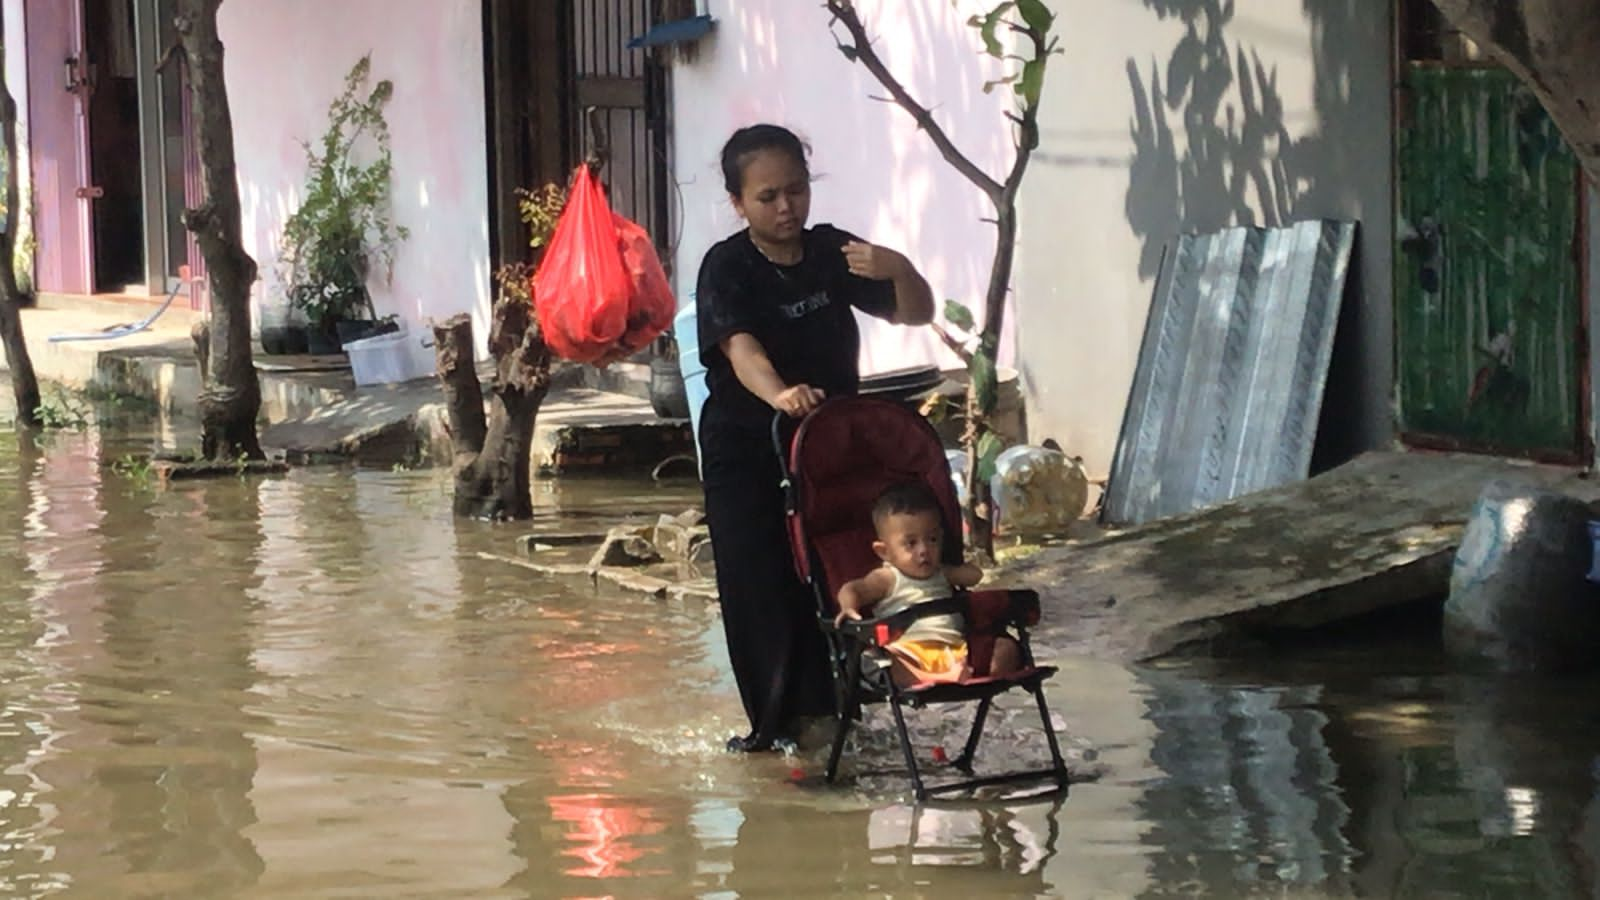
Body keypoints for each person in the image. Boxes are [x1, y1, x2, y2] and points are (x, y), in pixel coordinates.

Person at [696, 123, 935, 752]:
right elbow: (740, 350)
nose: (786, 209)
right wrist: (779, 393)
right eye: (768, 196)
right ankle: (777, 729)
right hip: (748, 448)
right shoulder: (727, 266)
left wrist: (900, 267)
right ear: (738, 203)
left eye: (796, 191)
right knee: (762, 586)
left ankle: (840, 714)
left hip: (826, 448)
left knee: (832, 570)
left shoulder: (832, 250)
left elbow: (916, 311)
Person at [834, 482, 1022, 686]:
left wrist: (954, 565)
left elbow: (974, 576)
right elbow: (852, 588)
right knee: (873, 662)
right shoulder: (887, 578)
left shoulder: (942, 572)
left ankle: (968, 676)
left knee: (1006, 648)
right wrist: (849, 607)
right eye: (911, 543)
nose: (923, 550)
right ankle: (938, 678)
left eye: (932, 539)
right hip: (909, 653)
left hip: (956, 651)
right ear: (884, 551)